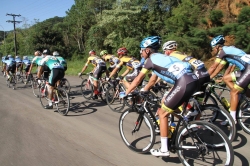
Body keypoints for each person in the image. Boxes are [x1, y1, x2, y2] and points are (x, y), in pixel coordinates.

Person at [121, 36, 199, 157]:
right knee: (166, 105)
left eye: (141, 50)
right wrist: (147, 88)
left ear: (147, 50)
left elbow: (137, 80)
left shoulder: (150, 61)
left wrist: (126, 93)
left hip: (183, 82)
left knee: (162, 113)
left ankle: (164, 149)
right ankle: (187, 123)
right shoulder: (164, 57)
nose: (140, 53)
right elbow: (153, 79)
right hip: (193, 79)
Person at [162, 40, 210, 117]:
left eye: (164, 52)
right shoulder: (181, 54)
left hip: (197, 75)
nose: (164, 54)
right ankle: (196, 125)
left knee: (180, 93)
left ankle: (190, 112)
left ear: (167, 51)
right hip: (205, 74)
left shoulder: (172, 57)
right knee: (198, 106)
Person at [208, 35, 248, 125]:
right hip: (245, 69)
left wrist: (203, 78)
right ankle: (241, 95)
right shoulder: (225, 53)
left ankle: (232, 119)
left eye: (213, 48)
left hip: (248, 69)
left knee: (234, 92)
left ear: (218, 46)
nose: (213, 50)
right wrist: (209, 77)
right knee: (226, 78)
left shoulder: (223, 51)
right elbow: (218, 69)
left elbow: (213, 66)